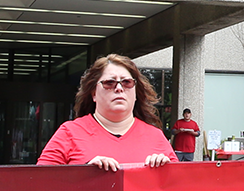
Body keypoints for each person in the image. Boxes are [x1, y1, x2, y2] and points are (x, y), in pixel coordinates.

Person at [37, 54, 176, 170]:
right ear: (93, 94)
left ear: (136, 92)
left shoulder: (156, 136)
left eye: (127, 82)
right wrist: (82, 174)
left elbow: (181, 189)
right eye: (109, 83)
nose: (119, 88)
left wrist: (166, 172)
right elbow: (38, 183)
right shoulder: (69, 133)